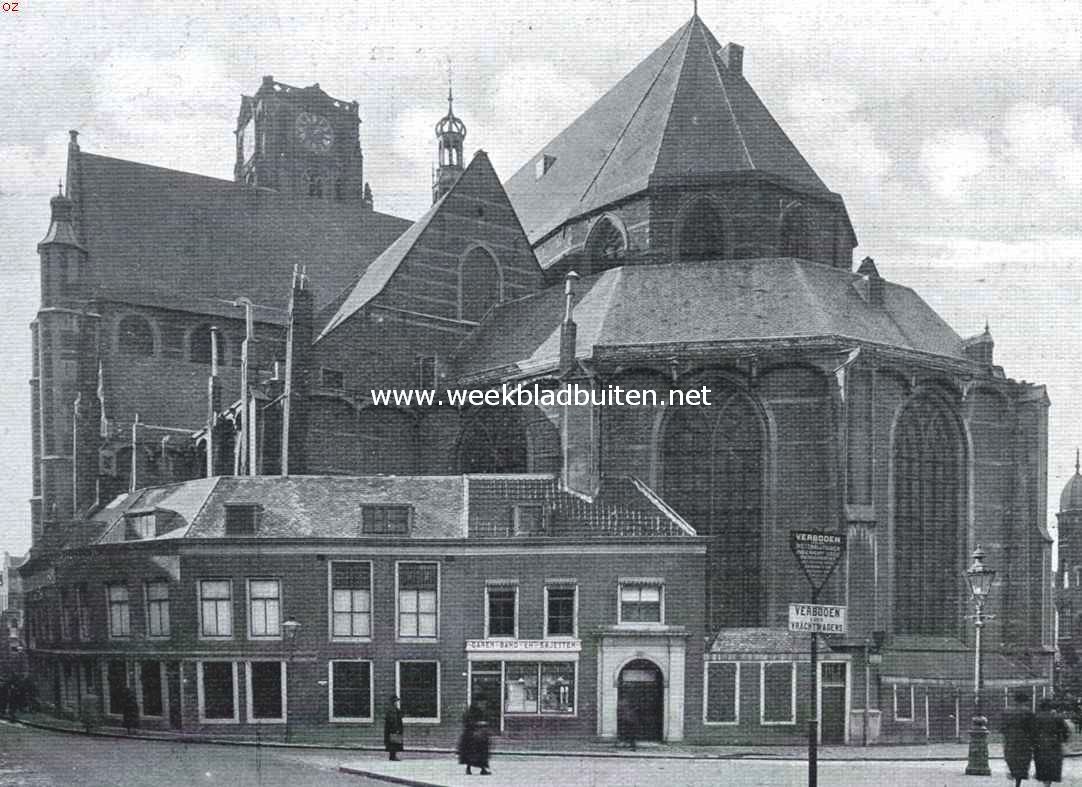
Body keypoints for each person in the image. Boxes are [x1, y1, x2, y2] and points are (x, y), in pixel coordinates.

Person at [1033, 698, 1070, 786]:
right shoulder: (1057, 717)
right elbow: (1065, 730)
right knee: (1052, 765)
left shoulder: (1036, 717)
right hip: (1054, 743)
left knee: (1042, 764)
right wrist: (1063, 739)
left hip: (1040, 744)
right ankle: (1048, 783)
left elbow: (1032, 731)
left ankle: (1045, 782)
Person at [1002, 691, 1036, 787]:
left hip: (1010, 739)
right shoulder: (1028, 712)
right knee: (1022, 762)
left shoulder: (1007, 711)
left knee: (1011, 759)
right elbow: (1032, 728)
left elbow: (1003, 727)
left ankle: (1012, 775)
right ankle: (1018, 782)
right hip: (1024, 741)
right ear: (1025, 701)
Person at [458, 700, 492, 776]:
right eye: (481, 703)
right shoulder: (471, 712)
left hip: (479, 736)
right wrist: (479, 723)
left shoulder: (481, 711)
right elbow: (468, 722)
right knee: (472, 753)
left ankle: (482, 769)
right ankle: (469, 769)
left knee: (481, 753)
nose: (483, 704)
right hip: (471, 736)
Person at [383, 695, 404, 761]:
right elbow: (394, 719)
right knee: (393, 742)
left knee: (393, 742)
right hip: (393, 729)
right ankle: (392, 756)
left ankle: (392, 756)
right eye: (396, 701)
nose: (397, 702)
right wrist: (396, 729)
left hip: (390, 729)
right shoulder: (392, 710)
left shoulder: (392, 709)